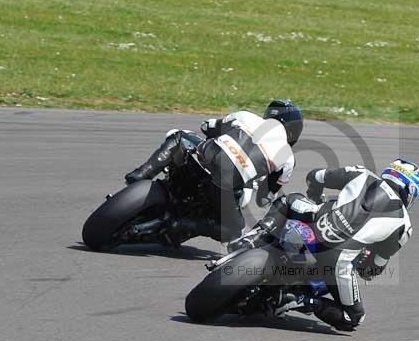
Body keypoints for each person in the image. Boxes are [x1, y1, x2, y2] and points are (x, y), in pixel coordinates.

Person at [229, 159, 419, 331]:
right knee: (354, 318)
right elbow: (373, 268)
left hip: (314, 223)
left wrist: (314, 195)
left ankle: (253, 238)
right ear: (411, 191)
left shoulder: (362, 173)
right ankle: (301, 300)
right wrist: (364, 262)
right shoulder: (404, 226)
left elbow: (316, 176)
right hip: (338, 262)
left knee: (289, 199)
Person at [124, 100, 303, 244]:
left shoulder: (246, 116)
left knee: (179, 136)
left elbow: (206, 127)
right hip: (225, 187)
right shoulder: (288, 158)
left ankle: (142, 174)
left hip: (202, 158)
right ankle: (184, 224)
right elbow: (263, 199)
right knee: (235, 231)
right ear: (292, 130)